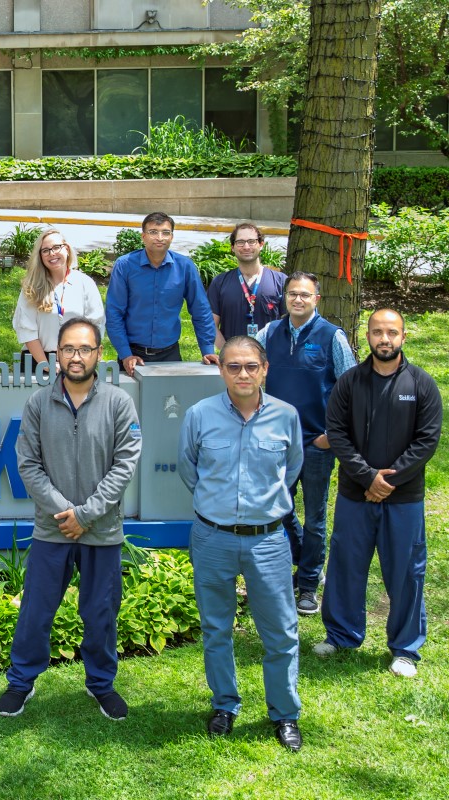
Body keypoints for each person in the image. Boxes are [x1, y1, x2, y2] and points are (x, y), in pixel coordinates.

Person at [0, 319, 140, 720]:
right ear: (57, 354)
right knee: (36, 611)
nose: (76, 357)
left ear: (99, 354)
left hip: (102, 531)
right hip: (53, 529)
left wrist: (87, 515)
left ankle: (101, 684)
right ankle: (21, 682)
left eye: (84, 349)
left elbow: (125, 464)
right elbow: (28, 464)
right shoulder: (38, 403)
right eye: (68, 349)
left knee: (100, 613)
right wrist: (66, 512)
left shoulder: (118, 403)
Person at [178, 336, 303, 752]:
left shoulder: (286, 416)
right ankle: (224, 704)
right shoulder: (199, 415)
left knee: (281, 632)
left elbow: (291, 469)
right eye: (233, 366)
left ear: (264, 369)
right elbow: (188, 469)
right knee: (216, 628)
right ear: (221, 371)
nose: (243, 374)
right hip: (212, 537)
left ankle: (284, 713)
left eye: (251, 366)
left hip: (268, 541)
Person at [315, 309, 442, 679]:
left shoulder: (422, 384)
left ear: (403, 337)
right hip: (355, 495)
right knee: (346, 565)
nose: (384, 339)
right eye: (377, 332)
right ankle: (341, 635)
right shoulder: (349, 383)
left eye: (392, 332)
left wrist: (388, 480)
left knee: (406, 571)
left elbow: (427, 440)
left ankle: (405, 648)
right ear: (367, 336)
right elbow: (337, 433)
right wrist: (368, 476)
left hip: (404, 498)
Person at [254, 272, 356, 616]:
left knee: (314, 516)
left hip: (316, 442)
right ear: (285, 297)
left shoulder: (331, 336)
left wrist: (333, 435)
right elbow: (250, 375)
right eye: (293, 294)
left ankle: (308, 584)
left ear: (317, 299)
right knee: (279, 507)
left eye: (305, 295)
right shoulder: (269, 333)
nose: (298, 299)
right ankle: (304, 557)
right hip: (276, 442)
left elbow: (351, 389)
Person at [105, 211, 218, 375]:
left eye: (165, 232)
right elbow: (114, 313)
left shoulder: (185, 267)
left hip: (170, 354)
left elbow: (201, 310)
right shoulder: (125, 265)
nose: (160, 237)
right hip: (132, 355)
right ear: (143, 236)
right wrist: (125, 354)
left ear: (172, 237)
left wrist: (207, 349)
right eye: (153, 232)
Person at [11, 228, 105, 366]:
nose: (52, 253)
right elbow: (26, 329)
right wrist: (46, 365)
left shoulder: (85, 283)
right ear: (40, 256)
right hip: (37, 361)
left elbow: (95, 326)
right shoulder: (32, 287)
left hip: (77, 360)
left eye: (56, 247)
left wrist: (78, 359)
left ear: (66, 249)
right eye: (45, 250)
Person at [207, 222, 285, 348]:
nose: (246, 246)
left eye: (251, 241)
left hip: (270, 356)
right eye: (240, 242)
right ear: (233, 247)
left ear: (261, 244)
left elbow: (290, 324)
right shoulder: (219, 283)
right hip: (233, 357)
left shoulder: (280, 281)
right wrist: (227, 353)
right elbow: (211, 325)